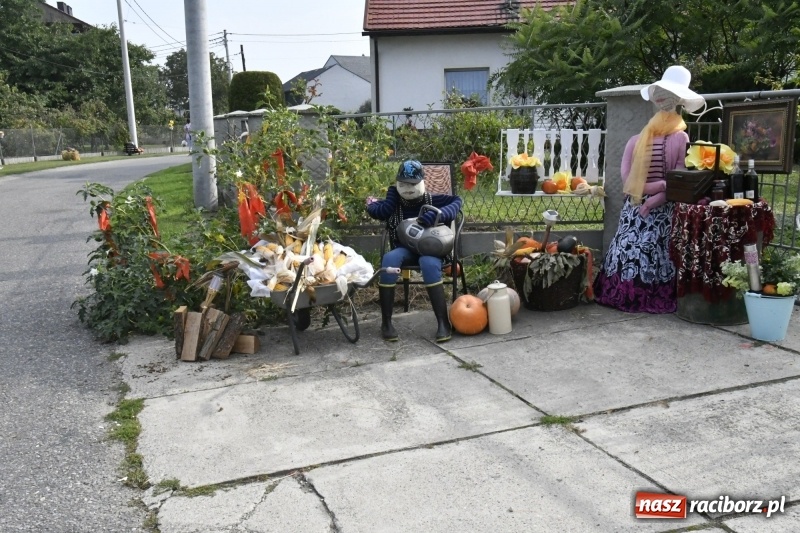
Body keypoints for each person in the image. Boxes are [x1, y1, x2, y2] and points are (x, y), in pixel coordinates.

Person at [593, 65, 705, 313]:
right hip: (635, 207)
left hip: (661, 210)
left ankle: (647, 292)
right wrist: (657, 189)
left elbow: (677, 176)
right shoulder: (637, 139)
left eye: (671, 94)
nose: (665, 99)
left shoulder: (680, 138)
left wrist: (654, 199)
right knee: (628, 247)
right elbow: (627, 177)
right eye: (663, 93)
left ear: (680, 101)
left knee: (655, 250)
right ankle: (625, 291)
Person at [366, 160, 463, 343]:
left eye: (413, 184)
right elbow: (376, 210)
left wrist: (438, 214)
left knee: (428, 263)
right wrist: (390, 195)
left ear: (422, 182)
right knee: (389, 259)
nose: (408, 188)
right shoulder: (394, 203)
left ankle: (443, 322)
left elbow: (457, 201)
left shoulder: (432, 200)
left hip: (431, 251)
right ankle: (386, 323)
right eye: (402, 184)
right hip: (405, 249)